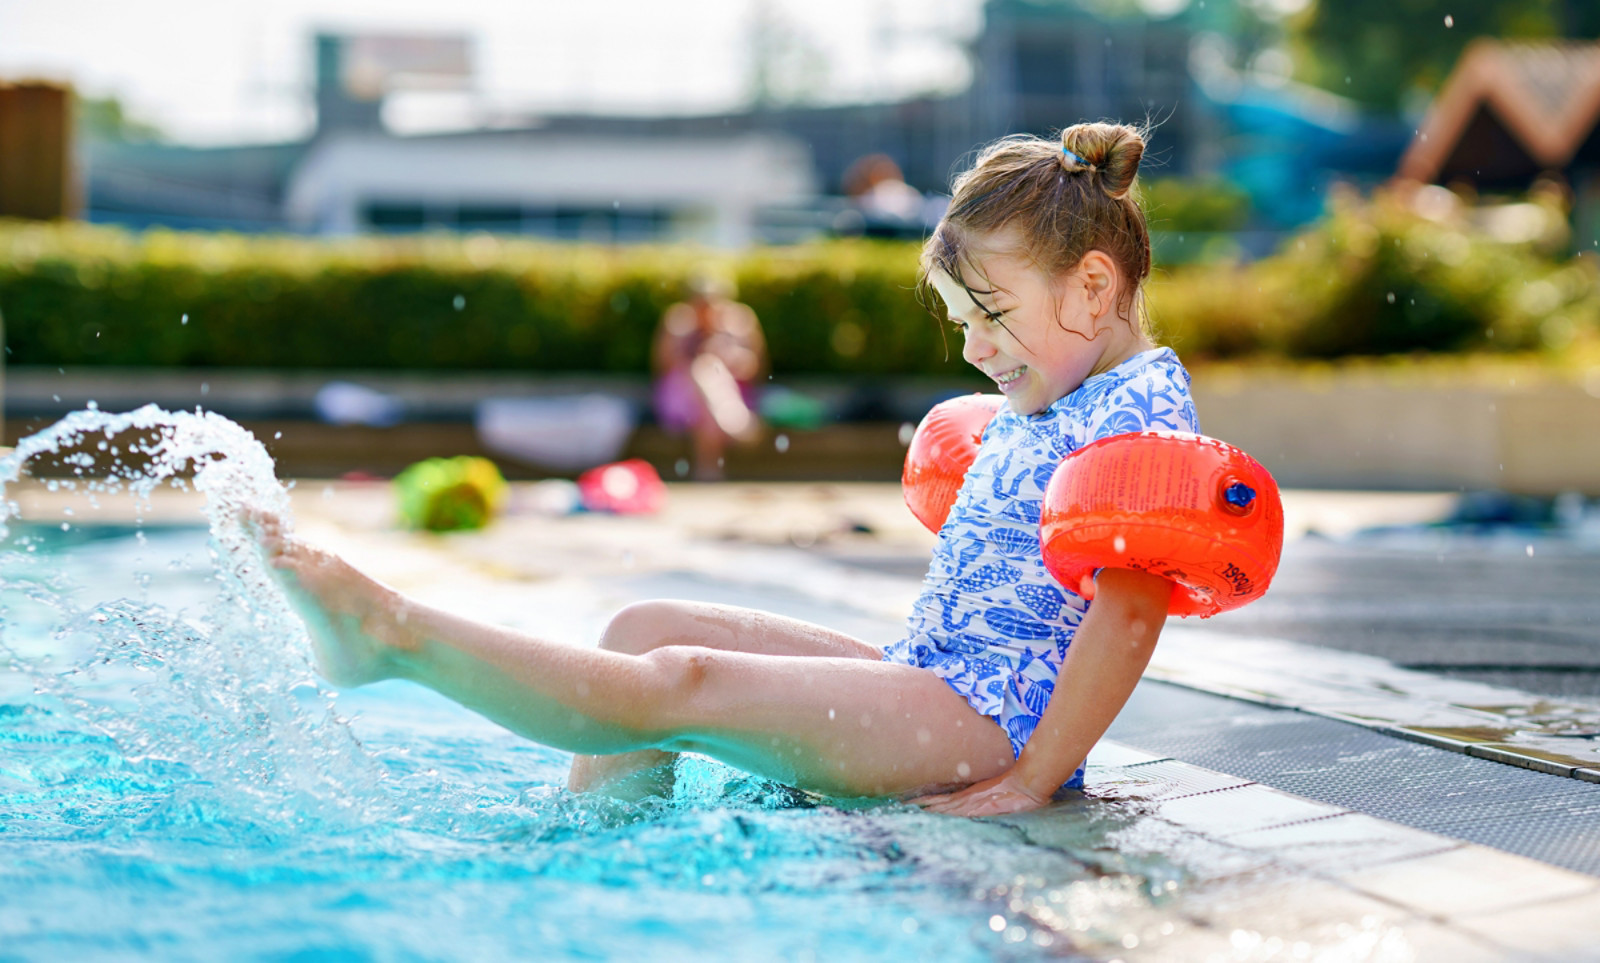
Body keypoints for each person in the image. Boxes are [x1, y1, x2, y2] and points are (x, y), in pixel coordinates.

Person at [252, 121, 1201, 816]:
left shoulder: (1142, 413)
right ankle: (596, 856)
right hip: (938, 679)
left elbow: (1128, 610)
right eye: (963, 324)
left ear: (1092, 284)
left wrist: (1031, 782)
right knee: (641, 624)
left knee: (686, 680)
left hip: (988, 725)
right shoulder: (1054, 394)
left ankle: (396, 635)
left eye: (992, 315)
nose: (976, 350)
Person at [651, 275, 766, 480]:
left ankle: (708, 471)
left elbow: (756, 369)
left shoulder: (740, 323)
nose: (706, 310)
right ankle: (732, 423)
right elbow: (662, 366)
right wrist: (692, 354)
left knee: (708, 396)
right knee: (703, 370)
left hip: (732, 394)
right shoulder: (678, 323)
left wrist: (729, 358)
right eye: (700, 304)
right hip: (684, 399)